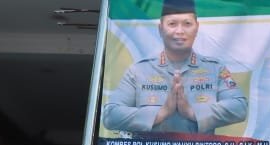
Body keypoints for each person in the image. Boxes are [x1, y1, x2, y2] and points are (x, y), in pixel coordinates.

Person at [102, 0, 248, 134]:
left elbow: (239, 107)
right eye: (172, 24)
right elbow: (110, 115)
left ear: (197, 28)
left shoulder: (215, 69)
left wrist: (193, 112)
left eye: (187, 24)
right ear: (160, 29)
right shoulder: (139, 71)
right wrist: (160, 113)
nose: (180, 31)